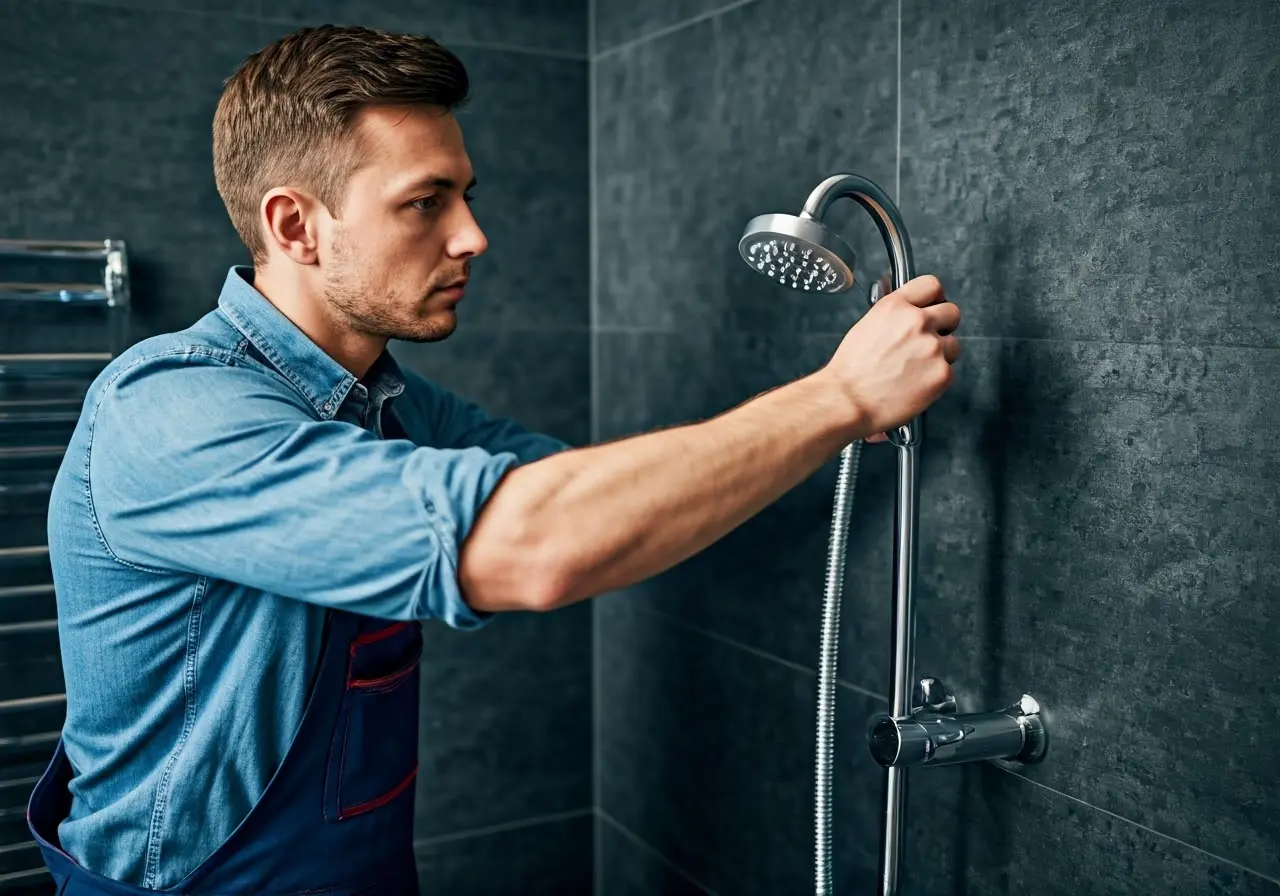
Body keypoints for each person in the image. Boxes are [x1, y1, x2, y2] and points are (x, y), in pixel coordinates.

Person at [27, 23, 962, 896]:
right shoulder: (172, 413)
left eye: (464, 196)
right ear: (296, 226)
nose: (472, 235)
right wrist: (838, 397)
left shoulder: (385, 402)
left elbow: (589, 497)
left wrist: (830, 418)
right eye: (425, 203)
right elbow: (536, 543)